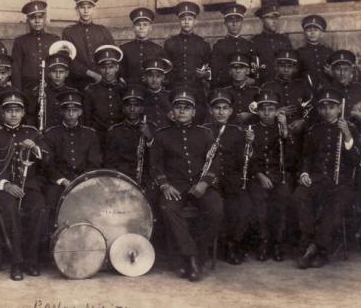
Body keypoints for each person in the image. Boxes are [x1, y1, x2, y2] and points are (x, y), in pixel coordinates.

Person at [150, 87, 224, 282]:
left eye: (186, 107)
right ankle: (191, 258)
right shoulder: (162, 135)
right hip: (174, 185)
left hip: (201, 186)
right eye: (178, 107)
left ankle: (196, 255)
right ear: (172, 112)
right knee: (167, 208)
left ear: (194, 112)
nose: (182, 111)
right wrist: (164, 185)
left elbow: (215, 163)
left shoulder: (206, 133)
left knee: (216, 209)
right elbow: (155, 164)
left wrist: (205, 184)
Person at [0, 89, 50, 281]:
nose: (13, 114)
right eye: (9, 110)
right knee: (10, 209)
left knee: (39, 208)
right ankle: (16, 262)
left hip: (29, 187)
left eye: (17, 110)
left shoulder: (33, 133)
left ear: (23, 113)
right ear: (2, 113)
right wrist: (5, 184)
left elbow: (48, 160)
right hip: (4, 189)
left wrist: (35, 148)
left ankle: (31, 260)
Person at [294, 88, 360, 269]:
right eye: (323, 107)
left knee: (336, 202)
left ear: (339, 108)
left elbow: (356, 160)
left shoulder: (350, 128)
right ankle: (310, 242)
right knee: (300, 195)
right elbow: (306, 157)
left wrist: (347, 135)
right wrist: (305, 174)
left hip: (341, 183)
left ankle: (317, 248)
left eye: (331, 107)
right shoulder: (314, 129)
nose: (327, 111)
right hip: (317, 179)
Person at [203, 89, 252, 265]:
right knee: (216, 206)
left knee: (243, 205)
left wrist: (249, 144)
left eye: (225, 108)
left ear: (231, 111)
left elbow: (242, 161)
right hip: (210, 179)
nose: (221, 112)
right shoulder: (203, 130)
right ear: (210, 110)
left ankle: (233, 243)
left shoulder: (238, 131)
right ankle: (216, 244)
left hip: (231, 178)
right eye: (217, 108)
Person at [43, 90, 102, 236]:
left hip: (84, 180)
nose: (71, 114)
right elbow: (48, 164)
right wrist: (62, 180)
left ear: (80, 112)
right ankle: (53, 241)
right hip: (59, 181)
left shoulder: (90, 134)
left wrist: (81, 181)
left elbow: (94, 163)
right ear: (62, 112)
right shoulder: (50, 134)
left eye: (74, 110)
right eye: (67, 110)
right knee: (50, 201)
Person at [247, 89, 293, 262]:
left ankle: (278, 244)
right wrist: (259, 175)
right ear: (257, 111)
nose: (267, 113)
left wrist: (286, 130)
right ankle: (263, 243)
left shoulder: (282, 130)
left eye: (271, 109)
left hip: (279, 175)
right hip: (258, 176)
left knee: (282, 200)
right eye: (263, 109)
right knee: (259, 206)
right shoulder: (252, 129)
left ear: (277, 111)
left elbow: (291, 157)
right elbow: (247, 159)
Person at [164, 1, 211, 124]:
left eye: (190, 19)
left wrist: (205, 74)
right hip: (175, 89)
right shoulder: (170, 43)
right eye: (183, 18)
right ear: (179, 21)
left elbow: (209, 67)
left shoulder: (203, 44)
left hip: (196, 90)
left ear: (195, 21)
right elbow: (166, 68)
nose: (186, 21)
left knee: (196, 122)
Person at [62, 0, 115, 90]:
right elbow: (68, 59)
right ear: (77, 9)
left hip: (102, 80)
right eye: (82, 7)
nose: (86, 11)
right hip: (78, 83)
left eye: (89, 7)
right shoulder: (69, 32)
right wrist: (91, 74)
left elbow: (112, 55)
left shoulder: (102, 30)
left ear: (94, 9)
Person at [105, 85, 154, 183]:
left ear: (142, 109)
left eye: (136, 105)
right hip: (122, 178)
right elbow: (109, 162)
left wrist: (149, 137)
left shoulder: (151, 127)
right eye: (128, 105)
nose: (132, 109)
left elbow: (157, 159)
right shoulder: (114, 131)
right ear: (123, 109)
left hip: (146, 178)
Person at [11, 0, 60, 95]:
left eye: (40, 17)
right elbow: (16, 70)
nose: (37, 21)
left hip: (51, 89)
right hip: (28, 90)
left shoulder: (54, 40)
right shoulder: (20, 41)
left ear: (45, 18)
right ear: (27, 20)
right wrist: (19, 94)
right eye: (33, 18)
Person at [83, 45, 125, 149]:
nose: (107, 71)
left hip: (121, 136)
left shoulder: (124, 89)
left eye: (111, 67)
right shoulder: (91, 90)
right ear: (98, 69)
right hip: (98, 137)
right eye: (103, 67)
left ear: (117, 68)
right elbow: (87, 118)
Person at [210, 3, 256, 89]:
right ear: (225, 23)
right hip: (226, 88)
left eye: (237, 21)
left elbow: (253, 72)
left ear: (242, 22)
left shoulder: (249, 45)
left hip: (246, 89)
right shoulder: (219, 46)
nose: (234, 24)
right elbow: (216, 73)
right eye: (230, 21)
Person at [26, 52, 77, 129]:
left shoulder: (73, 92)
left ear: (67, 73)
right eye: (54, 71)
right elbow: (30, 116)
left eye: (61, 72)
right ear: (49, 73)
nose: (58, 75)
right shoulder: (40, 91)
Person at [120, 7, 166, 84]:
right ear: (133, 28)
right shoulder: (124, 49)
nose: (141, 28)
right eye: (138, 25)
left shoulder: (158, 50)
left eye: (145, 25)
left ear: (150, 28)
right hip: (130, 90)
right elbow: (121, 74)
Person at [251, 2, 293, 84]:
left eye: (276, 18)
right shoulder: (255, 41)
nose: (274, 21)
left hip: (283, 84)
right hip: (264, 84)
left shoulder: (284, 40)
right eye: (270, 18)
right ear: (262, 20)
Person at [297, 14, 333, 90]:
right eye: (309, 30)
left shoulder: (329, 52)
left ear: (322, 34)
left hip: (327, 91)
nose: (312, 33)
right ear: (304, 33)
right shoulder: (299, 53)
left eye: (316, 30)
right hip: (307, 91)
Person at [222, 53, 260, 125]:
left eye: (242, 68)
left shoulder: (256, 91)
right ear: (230, 71)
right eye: (234, 68)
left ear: (248, 71)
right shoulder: (224, 92)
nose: (238, 71)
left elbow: (265, 113)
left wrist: (251, 115)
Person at [141, 57, 173, 130]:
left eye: (158, 76)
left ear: (163, 78)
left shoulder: (170, 96)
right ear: (145, 77)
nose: (154, 80)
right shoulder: (142, 96)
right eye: (150, 76)